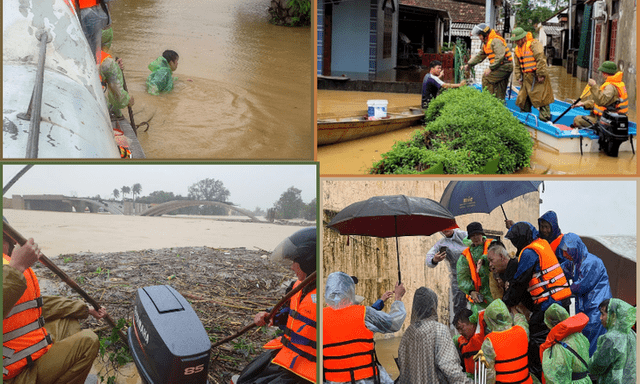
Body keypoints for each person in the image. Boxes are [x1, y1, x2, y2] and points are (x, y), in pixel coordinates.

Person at [3, 230, 107, 384]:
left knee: (68, 321)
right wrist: (17, 267)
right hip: (12, 375)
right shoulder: (11, 270)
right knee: (88, 341)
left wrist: (85, 309)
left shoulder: (7, 267)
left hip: (25, 357)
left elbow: (39, 304)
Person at [236, 227, 317, 384]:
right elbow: (289, 313)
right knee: (245, 378)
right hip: (288, 353)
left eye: (295, 261)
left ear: (309, 261)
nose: (292, 266)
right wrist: (270, 315)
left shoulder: (329, 297)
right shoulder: (297, 287)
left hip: (309, 368)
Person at [503, 222, 572, 382]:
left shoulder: (529, 253)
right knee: (557, 344)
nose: (513, 244)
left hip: (548, 304)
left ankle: (537, 378)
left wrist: (507, 300)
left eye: (515, 240)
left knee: (537, 344)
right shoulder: (542, 245)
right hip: (561, 302)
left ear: (521, 238)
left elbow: (520, 281)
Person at [323, 271, 406, 384]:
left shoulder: (319, 317)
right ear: (349, 292)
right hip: (366, 379)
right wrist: (398, 298)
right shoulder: (364, 313)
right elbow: (394, 323)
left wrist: (381, 301)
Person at [396, 287, 472, 384]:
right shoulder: (439, 330)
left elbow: (403, 370)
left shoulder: (407, 334)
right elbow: (451, 369)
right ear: (433, 307)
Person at [558, 233, 611, 356]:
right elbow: (561, 270)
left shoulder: (591, 262)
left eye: (567, 251)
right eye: (563, 251)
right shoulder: (575, 262)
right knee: (587, 339)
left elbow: (581, 286)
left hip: (597, 307)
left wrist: (560, 290)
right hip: (588, 307)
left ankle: (593, 371)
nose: (565, 255)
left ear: (575, 249)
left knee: (594, 340)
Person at [479, 299, 533, 384]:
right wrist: (514, 310)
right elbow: (521, 320)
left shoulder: (489, 342)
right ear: (507, 314)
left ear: (490, 320)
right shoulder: (522, 331)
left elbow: (488, 374)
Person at [510, 27, 554, 122]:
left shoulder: (534, 44)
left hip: (536, 76)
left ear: (522, 38)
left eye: (517, 40)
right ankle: (525, 118)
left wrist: (541, 74)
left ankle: (544, 119)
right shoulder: (517, 49)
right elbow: (517, 65)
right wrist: (518, 77)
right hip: (526, 78)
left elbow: (541, 59)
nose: (516, 42)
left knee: (542, 99)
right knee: (523, 99)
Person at [425, 228, 469, 324]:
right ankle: (462, 330)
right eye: (442, 228)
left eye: (448, 226)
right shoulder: (442, 243)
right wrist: (434, 260)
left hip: (474, 275)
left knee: (478, 303)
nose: (445, 230)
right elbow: (428, 258)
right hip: (458, 279)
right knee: (459, 306)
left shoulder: (464, 235)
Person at [540, 304, 592, 384]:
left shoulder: (558, 346)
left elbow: (558, 378)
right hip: (586, 380)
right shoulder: (580, 336)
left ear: (549, 324)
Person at [588, 298, 636, 384]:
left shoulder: (611, 338)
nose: (600, 318)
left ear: (613, 315)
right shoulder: (632, 334)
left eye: (603, 314)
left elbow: (596, 366)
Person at [462, 23, 513, 100]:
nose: (479, 37)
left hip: (504, 67)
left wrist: (490, 68)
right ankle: (498, 104)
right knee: (499, 89)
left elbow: (500, 56)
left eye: (479, 35)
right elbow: (480, 56)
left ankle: (487, 100)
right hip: (500, 67)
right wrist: (468, 65)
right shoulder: (486, 43)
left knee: (486, 77)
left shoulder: (495, 40)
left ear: (484, 34)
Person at [572, 61, 629, 128]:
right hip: (610, 118)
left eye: (602, 72)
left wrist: (594, 86)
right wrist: (583, 104)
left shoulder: (610, 87)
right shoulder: (617, 83)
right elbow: (604, 103)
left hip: (606, 120)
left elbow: (601, 101)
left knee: (577, 119)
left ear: (605, 73)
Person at [457, 222, 494, 311]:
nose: (476, 237)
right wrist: (471, 291)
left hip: (497, 293)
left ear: (482, 234)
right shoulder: (465, 256)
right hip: (479, 298)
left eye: (478, 234)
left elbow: (502, 259)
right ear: (469, 238)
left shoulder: (493, 245)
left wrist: (484, 259)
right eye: (473, 235)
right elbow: (462, 278)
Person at [99, 29, 134, 120]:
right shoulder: (107, 61)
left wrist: (116, 67)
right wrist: (128, 100)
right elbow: (119, 97)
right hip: (96, 105)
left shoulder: (81, 50)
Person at [453, 308, 488, 378]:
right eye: (458, 330)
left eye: (461, 328)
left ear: (471, 323)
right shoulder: (459, 340)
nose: (460, 332)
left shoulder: (482, 332)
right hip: (470, 379)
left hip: (485, 377)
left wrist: (476, 314)